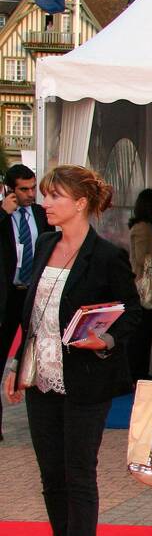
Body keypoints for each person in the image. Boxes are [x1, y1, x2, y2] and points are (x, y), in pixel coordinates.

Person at [2, 165, 138, 536]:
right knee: (50, 477)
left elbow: (132, 313)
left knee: (79, 474)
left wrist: (108, 339)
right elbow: (32, 317)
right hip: (39, 376)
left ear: (80, 203)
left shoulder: (107, 256)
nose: (46, 204)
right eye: (45, 195)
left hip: (84, 381)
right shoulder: (44, 244)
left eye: (54, 196)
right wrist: (15, 368)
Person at [1, 163, 52, 440]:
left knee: (34, 349)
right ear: (10, 189)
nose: (31, 194)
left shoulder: (41, 214)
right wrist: (2, 214)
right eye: (24, 189)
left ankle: (41, 420)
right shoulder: (4, 214)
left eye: (33, 187)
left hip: (34, 291)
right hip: (8, 294)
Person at [127, 188, 152, 381]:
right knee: (141, 336)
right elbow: (143, 259)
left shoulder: (148, 227)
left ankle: (138, 374)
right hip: (144, 289)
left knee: (144, 335)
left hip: (147, 288)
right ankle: (137, 376)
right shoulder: (143, 228)